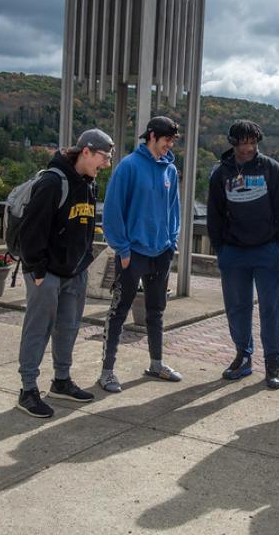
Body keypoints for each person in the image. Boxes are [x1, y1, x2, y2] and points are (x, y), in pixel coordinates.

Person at [16, 128, 114, 418]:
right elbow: (31, 231)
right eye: (104, 157)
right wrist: (36, 269)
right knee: (38, 329)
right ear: (86, 151)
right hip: (46, 273)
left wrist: (84, 262)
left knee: (68, 328)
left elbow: (84, 227)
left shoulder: (89, 184)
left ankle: (61, 380)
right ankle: (28, 389)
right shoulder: (52, 182)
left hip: (75, 272)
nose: (106, 165)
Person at [207, 119, 279, 389]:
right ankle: (243, 357)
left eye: (253, 143)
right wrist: (220, 248)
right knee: (237, 308)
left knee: (270, 309)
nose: (248, 148)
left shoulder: (271, 169)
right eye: (243, 143)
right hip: (233, 253)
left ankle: (273, 365)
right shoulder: (220, 173)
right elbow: (214, 214)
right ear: (233, 143)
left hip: (267, 251)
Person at [98, 116, 182, 393]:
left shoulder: (170, 170)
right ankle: (107, 371)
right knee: (119, 311)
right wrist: (122, 249)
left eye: (172, 140)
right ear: (152, 137)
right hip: (133, 253)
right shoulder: (128, 167)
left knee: (156, 311)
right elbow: (112, 211)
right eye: (166, 139)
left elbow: (174, 211)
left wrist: (172, 242)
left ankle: (156, 363)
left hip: (161, 253)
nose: (170, 145)